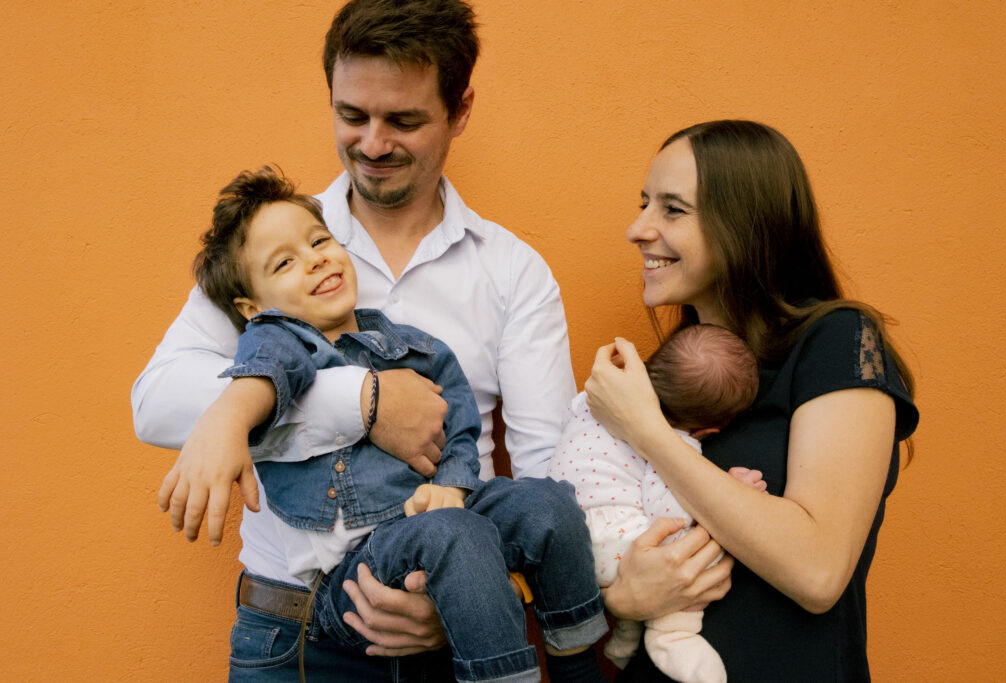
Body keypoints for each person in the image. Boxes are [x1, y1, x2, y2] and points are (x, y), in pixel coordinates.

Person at [132, 1, 655, 680]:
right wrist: (363, 400)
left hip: (456, 633)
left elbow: (545, 468)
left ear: (459, 112)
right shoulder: (268, 250)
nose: (373, 144)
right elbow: (157, 405)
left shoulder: (511, 272)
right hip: (295, 641)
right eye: (352, 115)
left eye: (403, 121)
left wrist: (472, 592)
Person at [177, 165, 606, 682]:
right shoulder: (279, 340)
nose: (315, 259)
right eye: (285, 262)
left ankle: (576, 661)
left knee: (547, 502)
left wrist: (452, 485)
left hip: (436, 525)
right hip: (350, 572)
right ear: (253, 307)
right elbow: (263, 378)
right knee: (454, 532)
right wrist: (226, 422)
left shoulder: (409, 344)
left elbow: (459, 421)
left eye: (319, 241)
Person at [583, 120, 919, 681]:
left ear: (744, 224)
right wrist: (623, 600)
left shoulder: (836, 341)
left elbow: (817, 571)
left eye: (672, 209)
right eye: (644, 204)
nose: (637, 229)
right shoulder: (680, 373)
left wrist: (648, 432)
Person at [549, 323, 764, 683]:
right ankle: (672, 635)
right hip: (610, 540)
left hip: (564, 532)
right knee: (695, 551)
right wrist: (731, 489)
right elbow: (669, 512)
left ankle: (626, 638)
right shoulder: (676, 443)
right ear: (709, 431)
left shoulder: (597, 396)